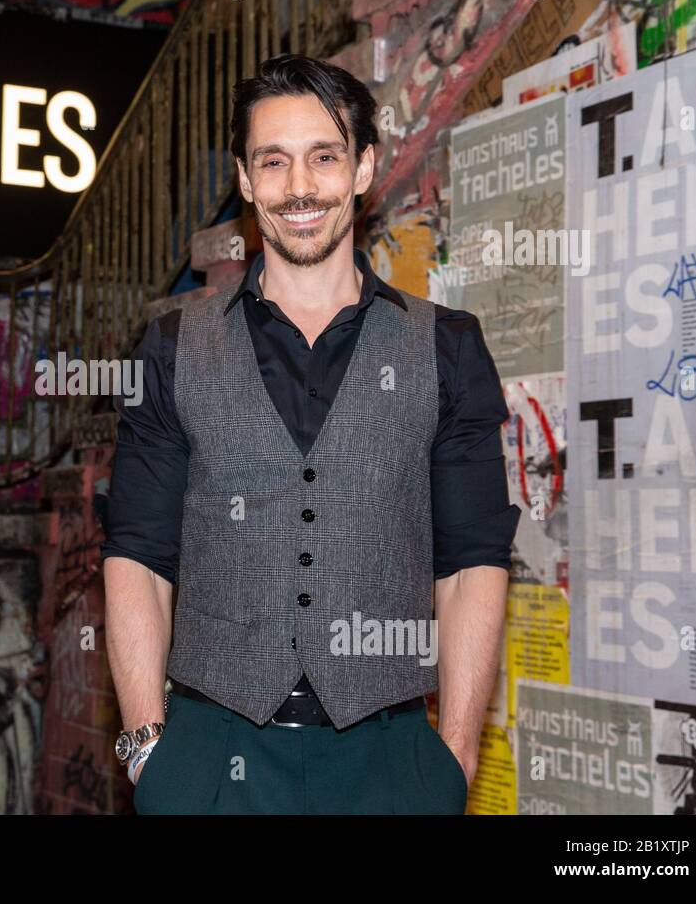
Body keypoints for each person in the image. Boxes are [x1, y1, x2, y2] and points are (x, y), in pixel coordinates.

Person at [100, 53, 519, 814]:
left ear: (362, 169)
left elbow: (471, 563)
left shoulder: (446, 347)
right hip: (209, 755)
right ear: (245, 177)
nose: (299, 188)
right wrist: (146, 750)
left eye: (323, 158)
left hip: (389, 761)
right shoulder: (171, 348)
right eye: (274, 162)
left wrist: (455, 754)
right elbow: (138, 554)